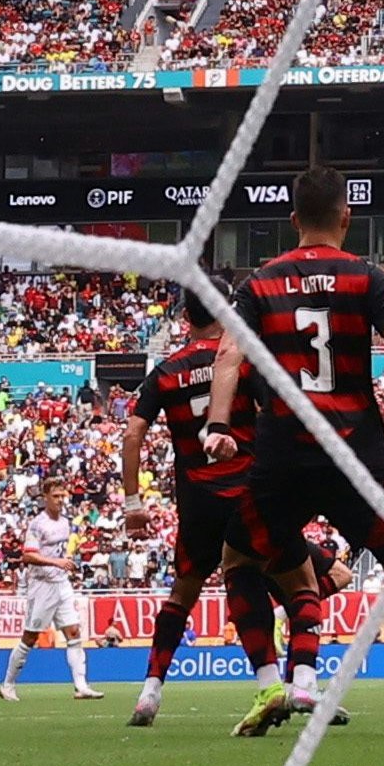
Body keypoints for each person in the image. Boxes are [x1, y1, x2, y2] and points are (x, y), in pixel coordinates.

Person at [206, 165, 384, 738]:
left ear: (292, 221)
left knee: (237, 561)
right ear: (346, 217)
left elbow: (228, 356)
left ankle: (268, 684)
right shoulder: (366, 277)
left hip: (283, 452)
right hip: (355, 454)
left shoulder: (260, 282)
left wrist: (217, 424)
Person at [117, 288, 281, 726]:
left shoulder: (166, 371)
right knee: (297, 578)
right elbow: (273, 415)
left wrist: (133, 503)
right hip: (245, 490)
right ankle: (293, 684)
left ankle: (149, 692)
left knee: (182, 594)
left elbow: (132, 435)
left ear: (185, 316)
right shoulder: (241, 360)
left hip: (196, 499)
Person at [0, 478, 101, 701]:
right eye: (55, 496)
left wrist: (64, 562)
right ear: (45, 497)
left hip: (61, 583)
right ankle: (7, 684)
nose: (60, 500)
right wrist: (57, 563)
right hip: (41, 585)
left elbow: (57, 552)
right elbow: (28, 555)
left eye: (62, 496)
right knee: (30, 637)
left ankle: (81, 686)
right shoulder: (38, 524)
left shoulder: (65, 522)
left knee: (73, 632)